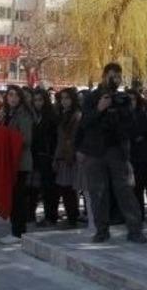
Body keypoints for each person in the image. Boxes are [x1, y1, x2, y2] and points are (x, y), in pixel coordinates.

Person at [75, 63, 147, 244]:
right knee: (98, 192)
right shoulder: (91, 97)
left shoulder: (123, 99)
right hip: (94, 151)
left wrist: (121, 111)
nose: (115, 79)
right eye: (112, 75)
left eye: (118, 76)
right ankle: (101, 230)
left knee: (124, 191)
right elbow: (84, 123)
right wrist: (100, 108)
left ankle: (135, 229)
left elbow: (130, 126)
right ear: (104, 76)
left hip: (116, 150)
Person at [0, 85, 34, 244]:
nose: (12, 98)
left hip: (20, 162)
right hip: (8, 160)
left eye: (15, 95)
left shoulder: (24, 114)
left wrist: (8, 136)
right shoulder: (6, 113)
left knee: (18, 198)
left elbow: (26, 139)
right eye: (9, 95)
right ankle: (14, 229)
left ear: (20, 98)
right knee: (12, 196)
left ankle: (19, 232)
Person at [28, 88, 59, 227]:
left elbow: (54, 138)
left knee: (48, 189)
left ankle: (50, 216)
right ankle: (30, 215)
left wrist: (53, 156)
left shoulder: (51, 116)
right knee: (33, 187)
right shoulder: (32, 115)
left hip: (47, 155)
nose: (37, 103)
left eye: (40, 100)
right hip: (35, 155)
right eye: (35, 100)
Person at [52, 88, 81, 227]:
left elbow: (73, 138)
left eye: (67, 98)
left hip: (70, 156)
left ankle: (73, 217)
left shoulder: (76, 115)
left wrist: (69, 153)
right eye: (62, 98)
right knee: (64, 188)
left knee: (69, 188)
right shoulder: (62, 113)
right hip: (62, 154)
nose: (64, 101)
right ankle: (71, 216)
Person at [126, 89, 147, 221]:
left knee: (138, 188)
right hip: (124, 157)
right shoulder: (121, 116)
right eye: (128, 99)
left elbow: (143, 137)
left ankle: (139, 215)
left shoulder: (142, 116)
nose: (131, 102)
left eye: (133, 99)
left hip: (139, 158)